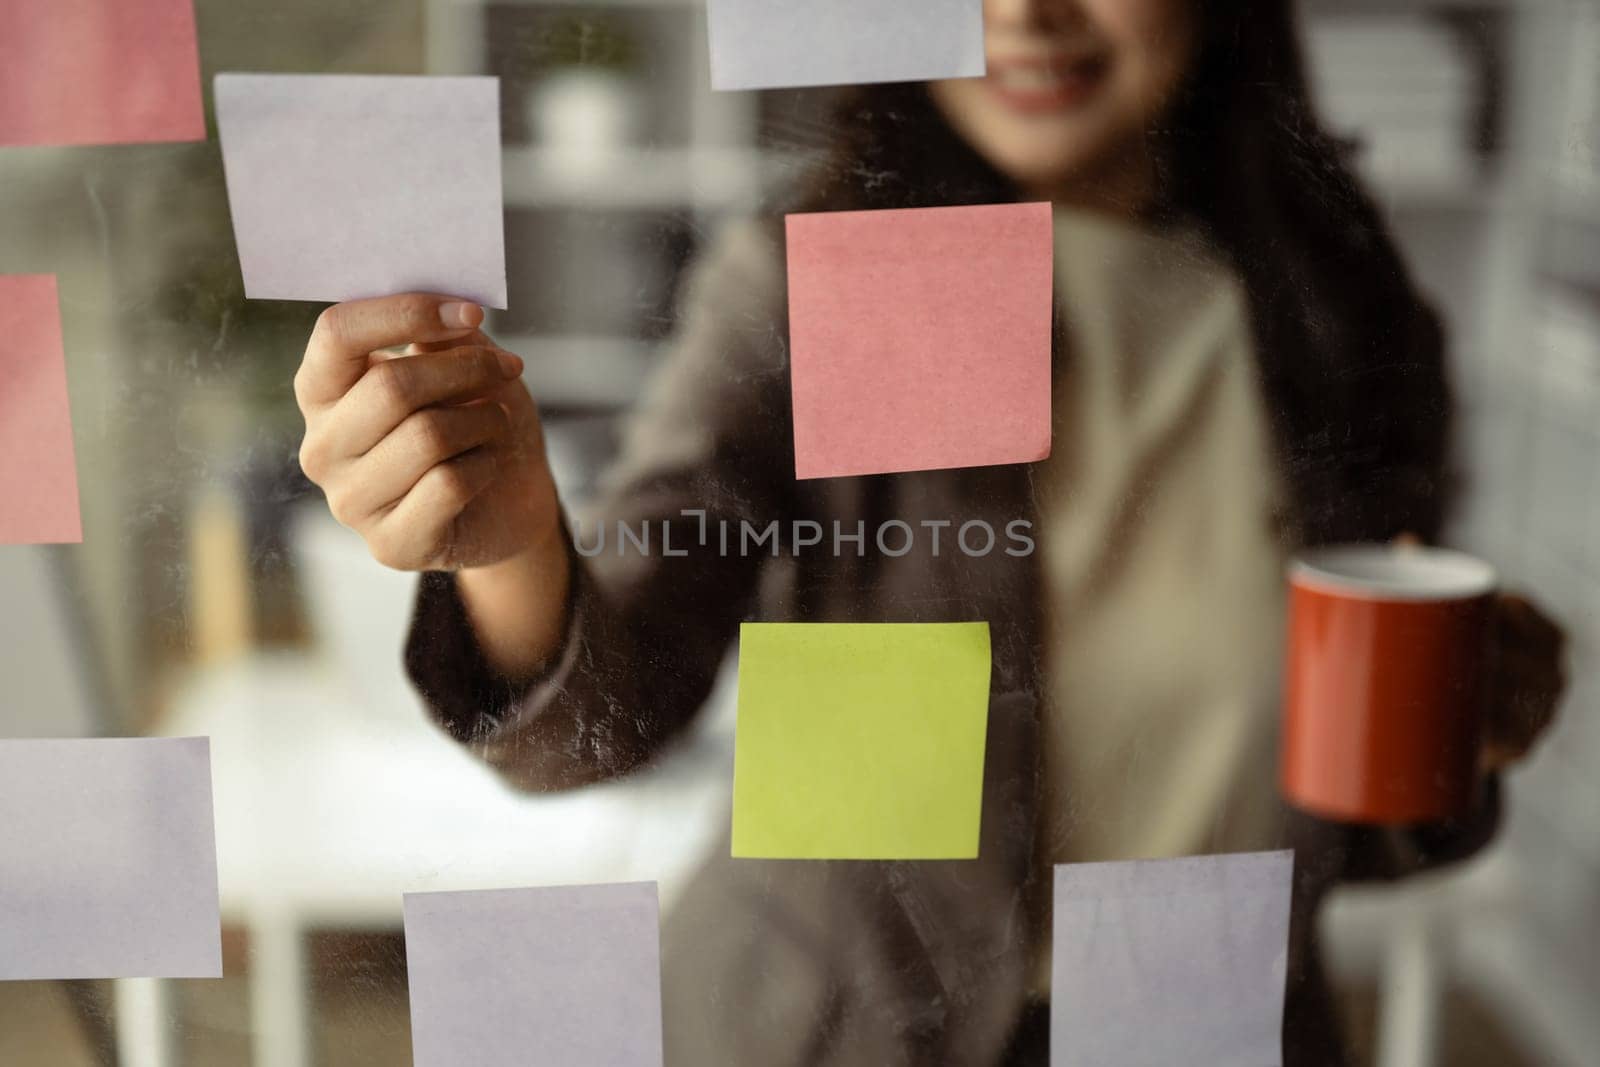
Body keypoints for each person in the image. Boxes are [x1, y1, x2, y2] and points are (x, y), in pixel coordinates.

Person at [292, 0, 1567, 1062]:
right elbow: (605, 712)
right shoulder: (837, 280)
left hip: (1206, 1026)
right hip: (833, 1030)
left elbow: (1355, 816)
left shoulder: (1330, 314)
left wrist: (1470, 724)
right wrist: (508, 537)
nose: (1023, 13)